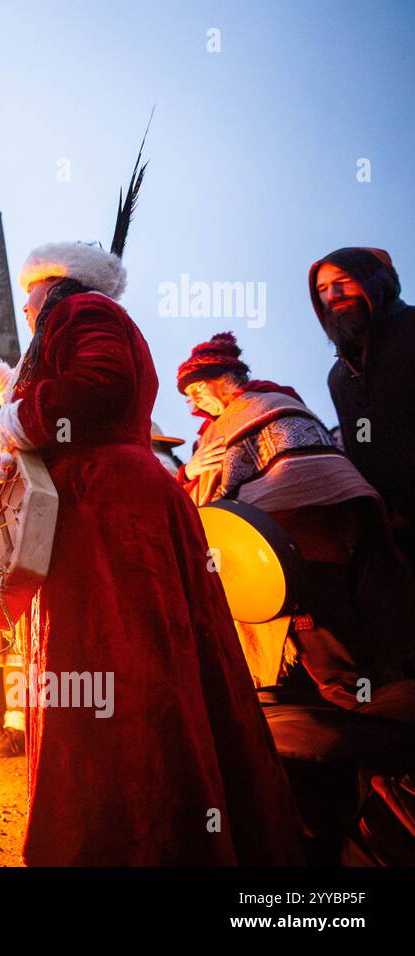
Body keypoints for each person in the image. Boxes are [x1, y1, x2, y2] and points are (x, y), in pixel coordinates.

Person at [0, 238, 303, 864]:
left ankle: (131, 834)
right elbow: (74, 403)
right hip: (109, 500)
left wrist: (12, 422)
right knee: (134, 663)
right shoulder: (74, 319)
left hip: (109, 510)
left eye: (30, 292)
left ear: (58, 282)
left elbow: (100, 385)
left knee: (122, 661)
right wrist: (11, 415)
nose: (25, 307)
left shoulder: (83, 311)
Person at [176, 332, 415, 859]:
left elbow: (310, 480)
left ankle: (385, 763)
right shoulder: (216, 431)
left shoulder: (268, 406)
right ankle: (328, 797)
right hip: (265, 572)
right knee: (294, 687)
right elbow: (210, 505)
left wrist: (251, 513)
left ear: (222, 381)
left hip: (310, 559)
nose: (192, 402)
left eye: (196, 389)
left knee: (335, 672)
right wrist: (196, 478)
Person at [309, 247, 415, 568]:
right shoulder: (340, 377)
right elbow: (362, 441)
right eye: (323, 289)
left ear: (374, 282)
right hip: (395, 535)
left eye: (343, 281)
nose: (333, 294)